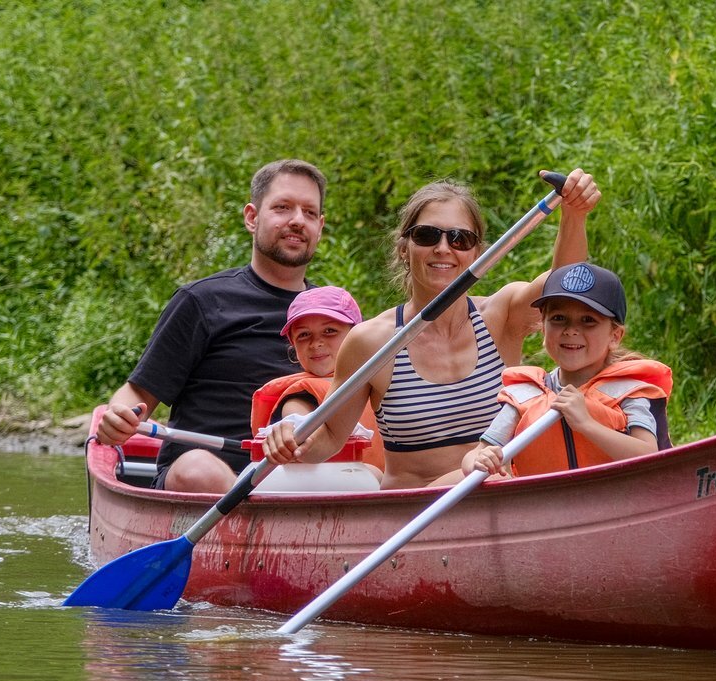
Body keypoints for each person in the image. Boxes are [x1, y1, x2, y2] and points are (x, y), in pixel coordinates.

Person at [262, 168, 601, 489]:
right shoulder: (372, 341)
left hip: (499, 500)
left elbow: (567, 285)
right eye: (426, 235)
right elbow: (331, 438)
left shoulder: (502, 316)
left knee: (490, 480)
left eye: (459, 238)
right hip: (415, 515)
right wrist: (289, 440)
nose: (443, 248)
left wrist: (574, 213)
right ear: (404, 248)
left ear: (476, 252)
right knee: (480, 480)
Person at [94, 158, 328, 492]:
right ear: (252, 217)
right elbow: (137, 394)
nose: (297, 220)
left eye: (308, 212)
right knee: (197, 469)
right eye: (282, 207)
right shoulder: (202, 301)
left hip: (302, 478)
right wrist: (118, 417)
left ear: (320, 226)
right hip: (206, 482)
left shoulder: (336, 314)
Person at [459, 261, 673, 481]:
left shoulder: (629, 392)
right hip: (545, 509)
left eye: (588, 320)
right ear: (543, 329)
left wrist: (586, 424)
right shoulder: (525, 395)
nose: (571, 330)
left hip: (618, 506)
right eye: (559, 319)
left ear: (615, 336)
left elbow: (648, 454)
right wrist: (478, 460)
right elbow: (477, 453)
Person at [249, 285, 385, 474]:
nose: (316, 343)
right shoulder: (301, 393)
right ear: (293, 345)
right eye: (304, 335)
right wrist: (291, 431)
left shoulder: (382, 377)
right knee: (372, 473)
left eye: (329, 331)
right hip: (348, 485)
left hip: (400, 482)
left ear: (355, 335)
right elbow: (295, 418)